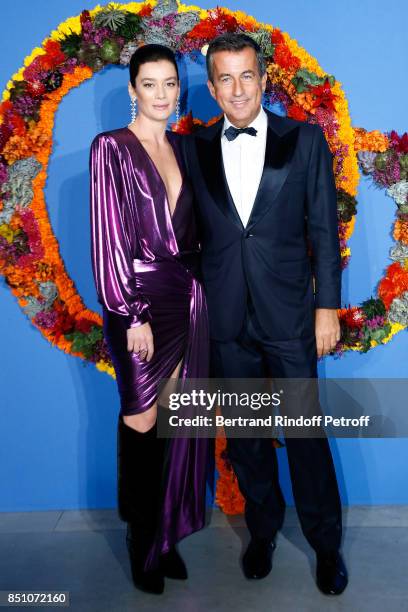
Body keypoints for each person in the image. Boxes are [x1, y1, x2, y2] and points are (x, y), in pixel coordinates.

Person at [182, 33, 348, 595]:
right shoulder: (194, 149)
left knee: (305, 434)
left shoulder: (303, 141)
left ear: (264, 79)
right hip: (227, 317)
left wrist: (327, 306)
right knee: (249, 437)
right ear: (210, 87)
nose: (236, 88)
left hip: (290, 317)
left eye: (246, 75)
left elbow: (325, 232)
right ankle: (262, 531)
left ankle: (327, 546)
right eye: (224, 78)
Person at [89, 44, 210, 595]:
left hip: (186, 298)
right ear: (132, 90)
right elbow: (109, 236)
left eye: (169, 84)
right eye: (150, 84)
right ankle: (141, 542)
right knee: (141, 418)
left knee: (175, 419)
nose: (161, 95)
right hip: (137, 303)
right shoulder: (110, 148)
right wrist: (130, 311)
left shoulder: (185, 148)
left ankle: (165, 537)